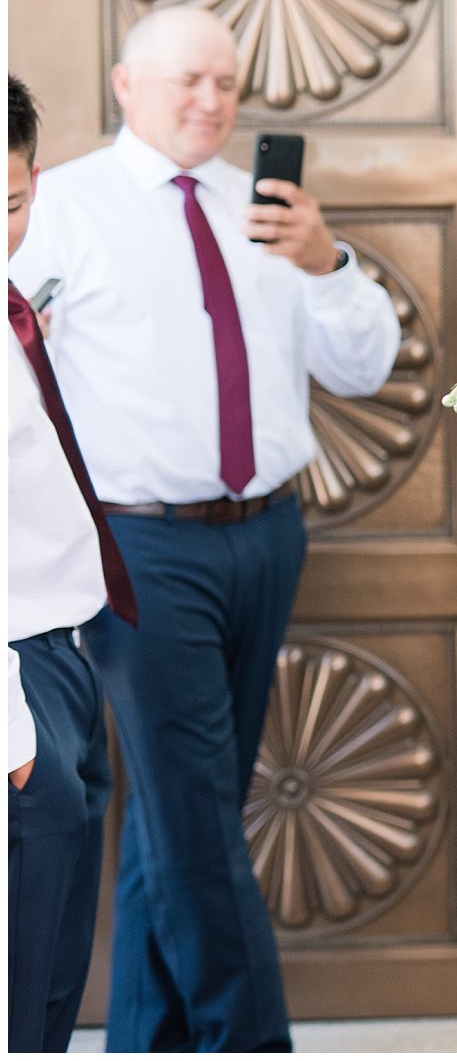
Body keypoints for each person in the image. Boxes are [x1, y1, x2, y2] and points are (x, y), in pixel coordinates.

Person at [9, 7, 401, 1051]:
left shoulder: (267, 210)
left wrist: (328, 262)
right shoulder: (62, 208)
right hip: (138, 552)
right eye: (185, 81)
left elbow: (363, 366)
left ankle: (149, 1041)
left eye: (225, 83)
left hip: (267, 537)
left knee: (190, 814)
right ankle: (248, 1043)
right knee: (192, 815)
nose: (209, 102)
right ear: (125, 84)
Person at [8, 74, 134, 1053]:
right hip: (10, 676)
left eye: (9, 205)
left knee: (52, 976)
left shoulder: (16, 305)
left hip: (59, 648)